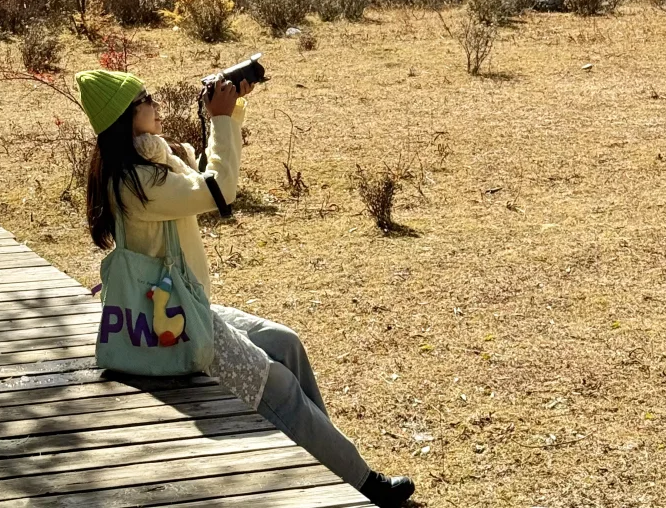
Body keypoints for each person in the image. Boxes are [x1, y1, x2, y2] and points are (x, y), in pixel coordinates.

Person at [77, 66, 415, 508]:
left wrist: (230, 110)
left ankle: (329, 459)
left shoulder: (150, 160)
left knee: (285, 343)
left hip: (185, 305)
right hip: (172, 326)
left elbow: (201, 179)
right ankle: (365, 485)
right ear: (125, 117)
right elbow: (218, 190)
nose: (156, 104)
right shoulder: (135, 182)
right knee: (279, 388)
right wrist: (219, 119)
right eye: (146, 100)